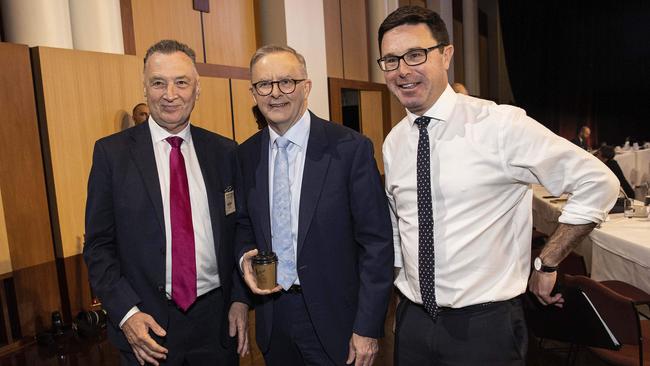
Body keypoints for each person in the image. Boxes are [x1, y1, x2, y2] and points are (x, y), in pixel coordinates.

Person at [378, 6, 619, 365]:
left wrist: (547, 263)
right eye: (391, 60)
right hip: (414, 322)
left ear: (446, 54)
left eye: (416, 54)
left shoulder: (500, 126)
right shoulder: (394, 142)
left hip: (484, 327)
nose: (403, 70)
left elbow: (598, 182)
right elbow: (400, 222)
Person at [84, 39, 249, 366]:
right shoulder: (112, 155)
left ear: (197, 89)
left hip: (216, 324)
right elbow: (98, 246)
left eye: (181, 82)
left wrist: (241, 299)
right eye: (158, 83)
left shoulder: (225, 152)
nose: (170, 94)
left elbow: (241, 230)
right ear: (145, 88)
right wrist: (127, 314)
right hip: (146, 326)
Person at [235, 45, 393, 366]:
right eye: (264, 84)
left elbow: (376, 244)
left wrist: (367, 326)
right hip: (273, 317)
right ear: (253, 92)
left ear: (307, 86)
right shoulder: (246, 154)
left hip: (339, 322)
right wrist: (244, 259)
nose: (275, 93)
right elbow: (242, 224)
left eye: (287, 82)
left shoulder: (350, 149)